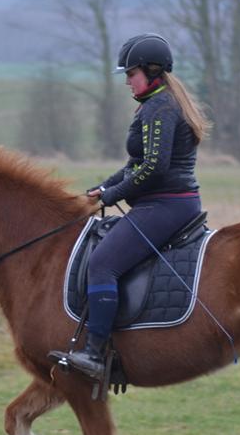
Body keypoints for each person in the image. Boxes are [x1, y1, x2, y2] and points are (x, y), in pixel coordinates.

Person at [57, 33, 211, 380]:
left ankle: (95, 353)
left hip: (166, 206)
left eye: (131, 73)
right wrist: (105, 187)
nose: (127, 80)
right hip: (166, 203)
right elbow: (135, 165)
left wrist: (113, 195)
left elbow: (155, 167)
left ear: (152, 71)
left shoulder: (161, 107)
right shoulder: (158, 103)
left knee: (102, 264)